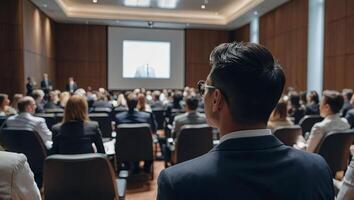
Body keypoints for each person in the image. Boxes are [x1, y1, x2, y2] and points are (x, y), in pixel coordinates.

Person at [157, 42, 334, 199]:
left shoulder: (177, 183)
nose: (203, 94)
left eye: (205, 88)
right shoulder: (317, 169)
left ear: (217, 99)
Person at [115, 92, 157, 173]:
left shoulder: (119, 117)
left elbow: (118, 134)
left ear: (126, 103)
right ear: (137, 103)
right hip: (144, 150)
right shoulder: (146, 116)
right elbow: (152, 131)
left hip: (125, 150)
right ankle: (146, 167)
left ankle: (128, 165)